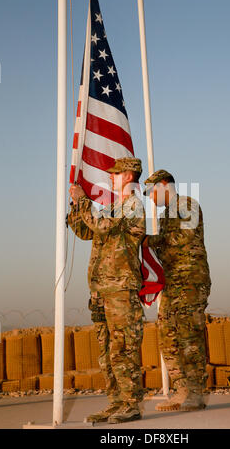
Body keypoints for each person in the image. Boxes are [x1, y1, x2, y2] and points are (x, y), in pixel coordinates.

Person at [68, 157, 146, 424]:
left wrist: (83, 201)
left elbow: (102, 226)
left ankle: (131, 403)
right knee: (106, 352)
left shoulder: (133, 205)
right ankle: (116, 402)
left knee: (123, 348)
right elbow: (85, 230)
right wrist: (76, 205)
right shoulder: (113, 208)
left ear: (127, 175)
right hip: (102, 291)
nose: (111, 177)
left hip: (121, 290)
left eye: (115, 174)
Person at [143, 169, 211, 411]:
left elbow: (183, 238)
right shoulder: (164, 216)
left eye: (151, 192)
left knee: (189, 336)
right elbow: (162, 250)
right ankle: (181, 390)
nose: (150, 198)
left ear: (164, 184)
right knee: (168, 336)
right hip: (173, 283)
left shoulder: (187, 204)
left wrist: (147, 240)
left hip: (191, 280)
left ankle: (195, 392)